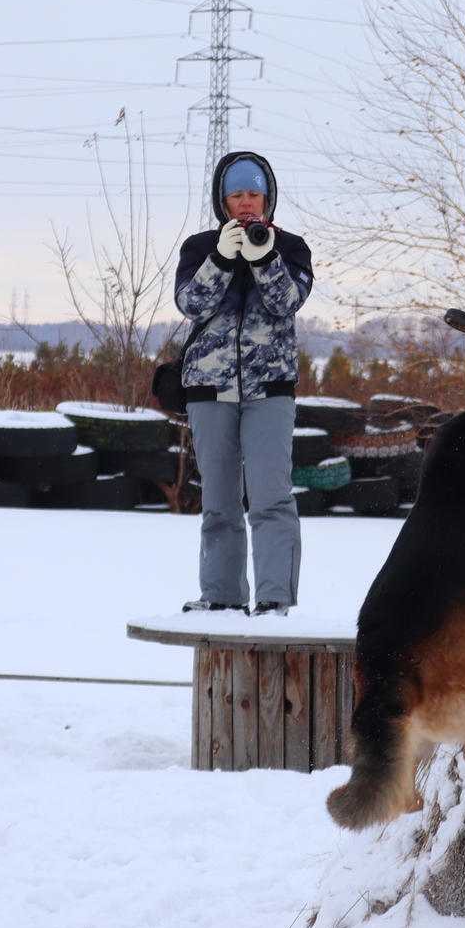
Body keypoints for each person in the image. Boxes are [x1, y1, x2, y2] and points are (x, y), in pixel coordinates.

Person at [172, 151, 315, 616]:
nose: (247, 203)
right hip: (209, 391)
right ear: (223, 201)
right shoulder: (197, 248)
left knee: (271, 497)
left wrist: (264, 258)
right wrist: (220, 258)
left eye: (255, 193)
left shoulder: (292, 247)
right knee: (218, 503)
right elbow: (190, 304)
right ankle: (221, 597)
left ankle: (274, 599)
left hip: (269, 390)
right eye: (238, 194)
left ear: (268, 197)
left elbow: (286, 303)